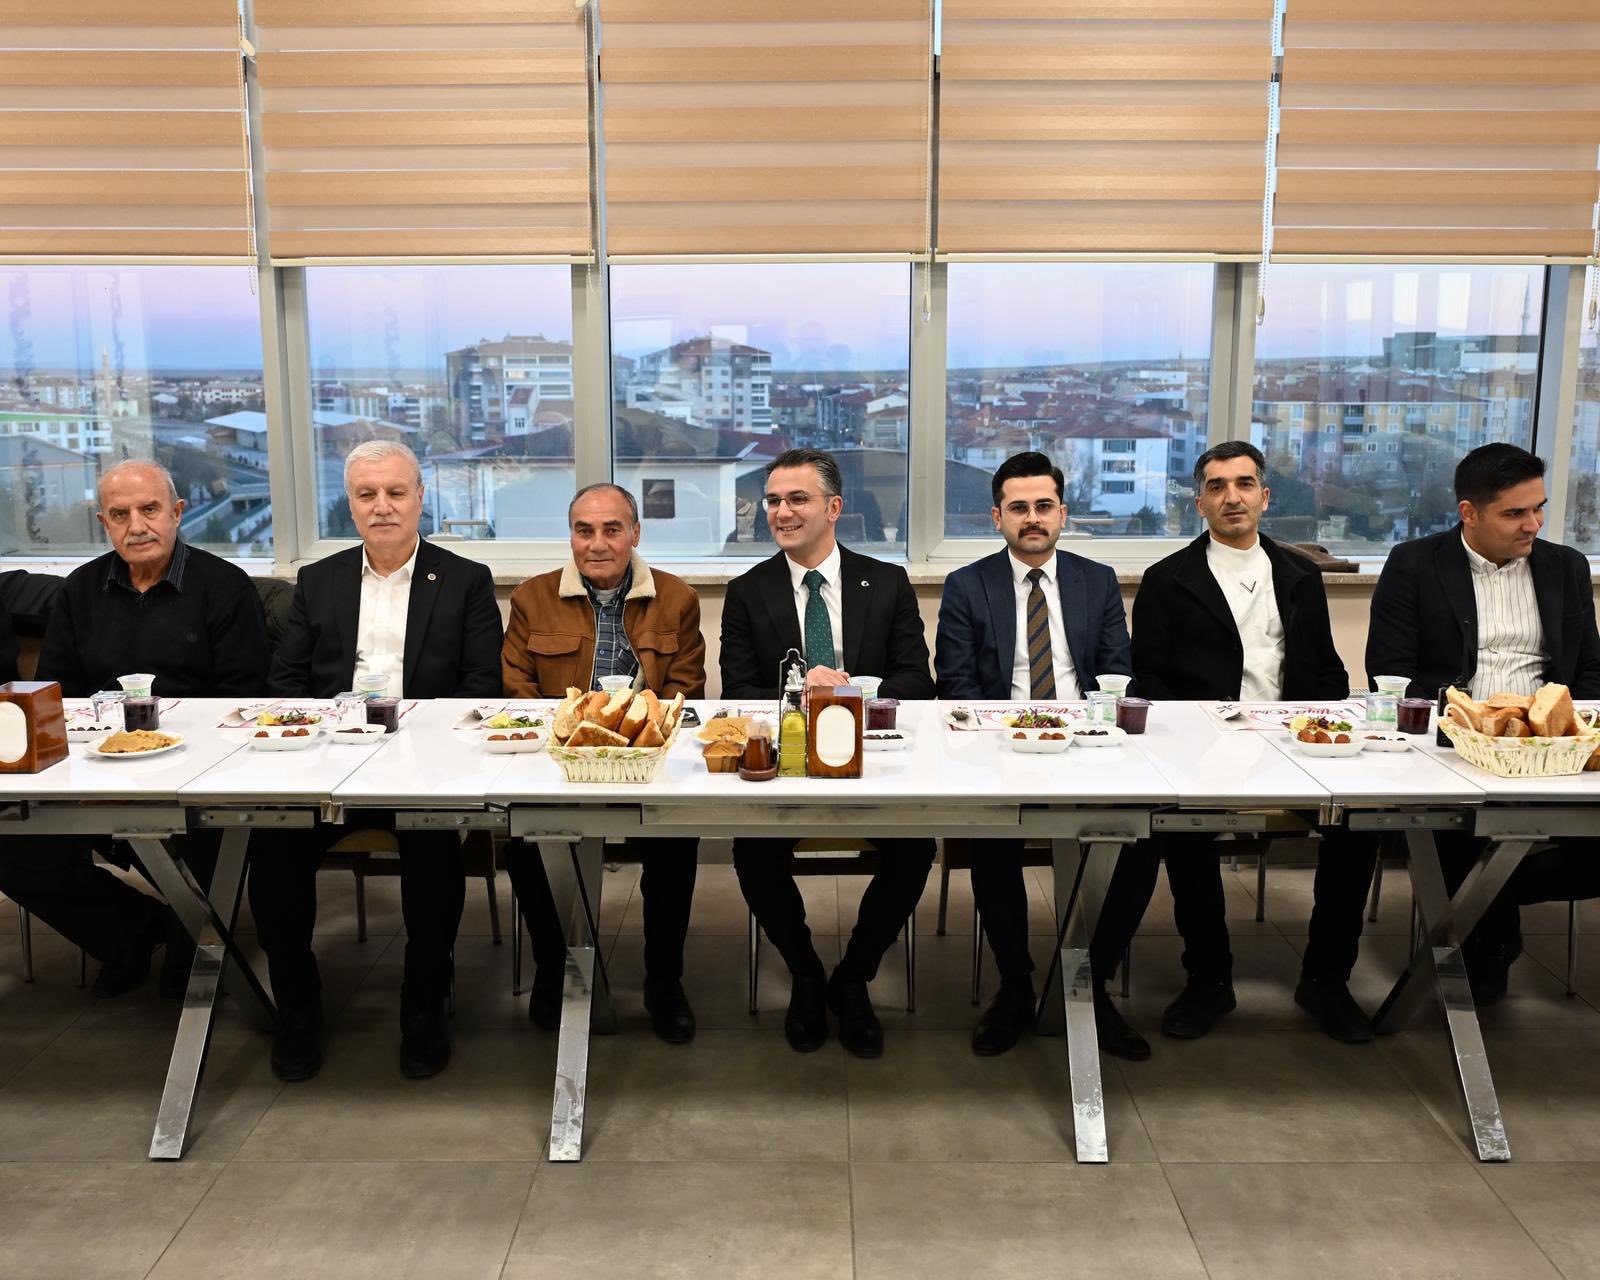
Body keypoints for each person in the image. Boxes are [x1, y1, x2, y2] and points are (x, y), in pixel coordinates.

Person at [248, 441, 502, 1082]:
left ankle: (424, 1007)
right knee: (271, 847)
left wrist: (413, 736)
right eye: (367, 495)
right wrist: (332, 734)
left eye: (395, 492)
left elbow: (481, 688)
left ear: (420, 498)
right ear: (351, 504)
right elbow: (286, 683)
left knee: (433, 854)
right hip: (328, 765)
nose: (382, 506)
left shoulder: (465, 579)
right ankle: (298, 1008)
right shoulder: (320, 580)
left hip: (425, 768)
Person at [1117, 440, 1377, 1047]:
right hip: (1201, 749)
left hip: (1294, 745)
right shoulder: (1167, 580)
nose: (1231, 497)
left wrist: (1323, 730)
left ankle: (1327, 980)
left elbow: (1327, 671)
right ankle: (1209, 980)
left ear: (1265, 496)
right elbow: (1147, 679)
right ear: (1199, 504)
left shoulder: (1300, 576)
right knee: (1185, 835)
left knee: (1358, 826)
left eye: (1243, 484)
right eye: (1216, 486)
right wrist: (1198, 737)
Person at [0, 460, 270, 997]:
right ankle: (131, 931)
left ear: (177, 513)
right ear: (105, 522)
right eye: (120, 515)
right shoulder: (80, 590)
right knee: (12, 844)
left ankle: (188, 936)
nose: (137, 526)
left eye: (149, 510)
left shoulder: (225, 587)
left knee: (183, 986)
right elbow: (58, 700)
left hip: (198, 777)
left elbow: (245, 702)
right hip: (96, 772)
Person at [721, 448, 936, 1059]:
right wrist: (799, 690)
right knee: (752, 851)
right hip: (788, 763)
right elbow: (736, 692)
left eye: (798, 499)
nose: (782, 512)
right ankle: (807, 973)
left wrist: (848, 690)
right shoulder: (747, 591)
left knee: (915, 847)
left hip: (872, 760)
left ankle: (854, 976)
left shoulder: (886, 582)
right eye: (773, 501)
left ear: (834, 508)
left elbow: (917, 683)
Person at [1367, 442, 1600, 1002]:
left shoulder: (1565, 566)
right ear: (1469, 512)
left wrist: (1568, 730)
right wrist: (1465, 727)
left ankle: (1492, 893)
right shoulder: (1415, 563)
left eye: (1538, 509)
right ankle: (1484, 942)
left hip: (1551, 750)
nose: (1533, 525)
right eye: (1515, 513)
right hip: (1452, 747)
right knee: (1459, 836)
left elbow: (1589, 671)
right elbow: (1391, 671)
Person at [934, 451, 1139, 1057]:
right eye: (1018, 507)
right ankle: (1016, 984)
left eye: (1044, 506)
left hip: (1089, 747)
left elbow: (1117, 673)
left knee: (1136, 845)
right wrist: (1015, 738)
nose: (1032, 518)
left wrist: (1084, 733)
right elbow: (957, 684)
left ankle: (1089, 982)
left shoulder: (1096, 580)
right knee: (992, 841)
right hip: (1001, 748)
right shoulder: (967, 585)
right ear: (996, 517)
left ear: (1063, 515)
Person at [501, 482, 706, 1043]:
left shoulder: (677, 597)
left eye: (612, 530)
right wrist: (570, 740)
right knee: (522, 841)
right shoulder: (532, 597)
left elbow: (685, 691)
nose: (597, 544)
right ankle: (554, 968)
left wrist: (634, 738)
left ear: (635, 533)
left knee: (676, 841)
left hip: (645, 761)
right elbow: (516, 689)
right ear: (570, 536)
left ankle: (664, 980)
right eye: (584, 530)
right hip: (559, 763)